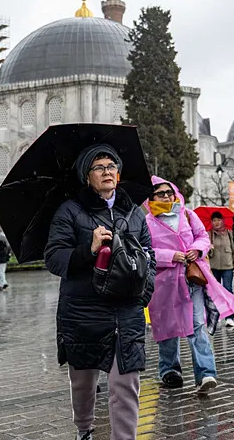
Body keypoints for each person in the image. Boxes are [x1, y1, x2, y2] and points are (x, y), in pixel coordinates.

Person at [44, 143, 156, 440]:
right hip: (83, 311)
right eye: (99, 167)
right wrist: (89, 249)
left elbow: (149, 255)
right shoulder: (70, 211)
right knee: (83, 382)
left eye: (112, 166)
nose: (107, 171)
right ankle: (84, 429)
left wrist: (144, 293)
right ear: (86, 176)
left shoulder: (134, 212)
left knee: (126, 384)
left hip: (126, 311)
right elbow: (54, 258)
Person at [145, 177, 234, 392]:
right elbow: (143, 250)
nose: (167, 196)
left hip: (191, 278)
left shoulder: (187, 214)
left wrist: (197, 249)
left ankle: (206, 373)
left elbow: (203, 237)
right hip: (164, 282)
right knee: (167, 325)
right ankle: (169, 371)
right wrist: (170, 256)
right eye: (160, 193)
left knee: (196, 324)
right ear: (151, 198)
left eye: (169, 192)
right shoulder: (147, 222)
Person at [207, 211, 234, 328]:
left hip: (227, 266)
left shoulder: (229, 234)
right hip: (214, 267)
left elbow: (233, 250)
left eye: (218, 220)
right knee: (215, 292)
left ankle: (230, 317)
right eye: (214, 220)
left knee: (228, 289)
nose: (217, 223)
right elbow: (207, 253)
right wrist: (209, 248)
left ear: (223, 220)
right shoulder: (209, 234)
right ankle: (218, 314)